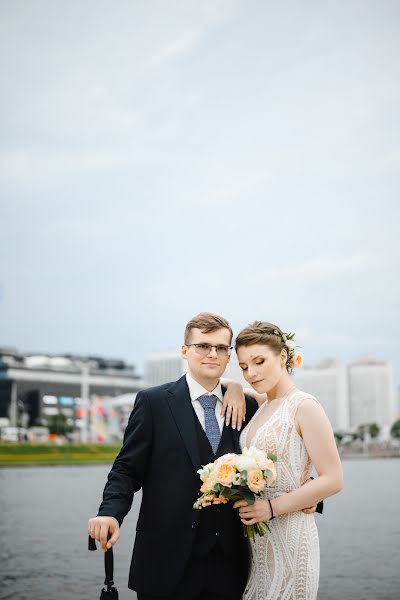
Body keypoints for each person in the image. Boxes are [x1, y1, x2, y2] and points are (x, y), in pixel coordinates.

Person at [88, 312, 260, 600]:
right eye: (203, 346)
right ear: (185, 350)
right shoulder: (153, 402)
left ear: (229, 356)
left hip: (231, 565)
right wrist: (110, 512)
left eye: (221, 348)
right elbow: (127, 470)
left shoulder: (248, 407)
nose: (212, 354)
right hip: (165, 561)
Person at [229, 321, 343, 600]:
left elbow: (333, 479)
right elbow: (213, 381)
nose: (251, 373)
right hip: (258, 542)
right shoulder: (263, 406)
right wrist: (232, 385)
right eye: (244, 367)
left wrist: (271, 507)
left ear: (282, 357)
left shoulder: (304, 405)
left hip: (291, 535)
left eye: (259, 362)